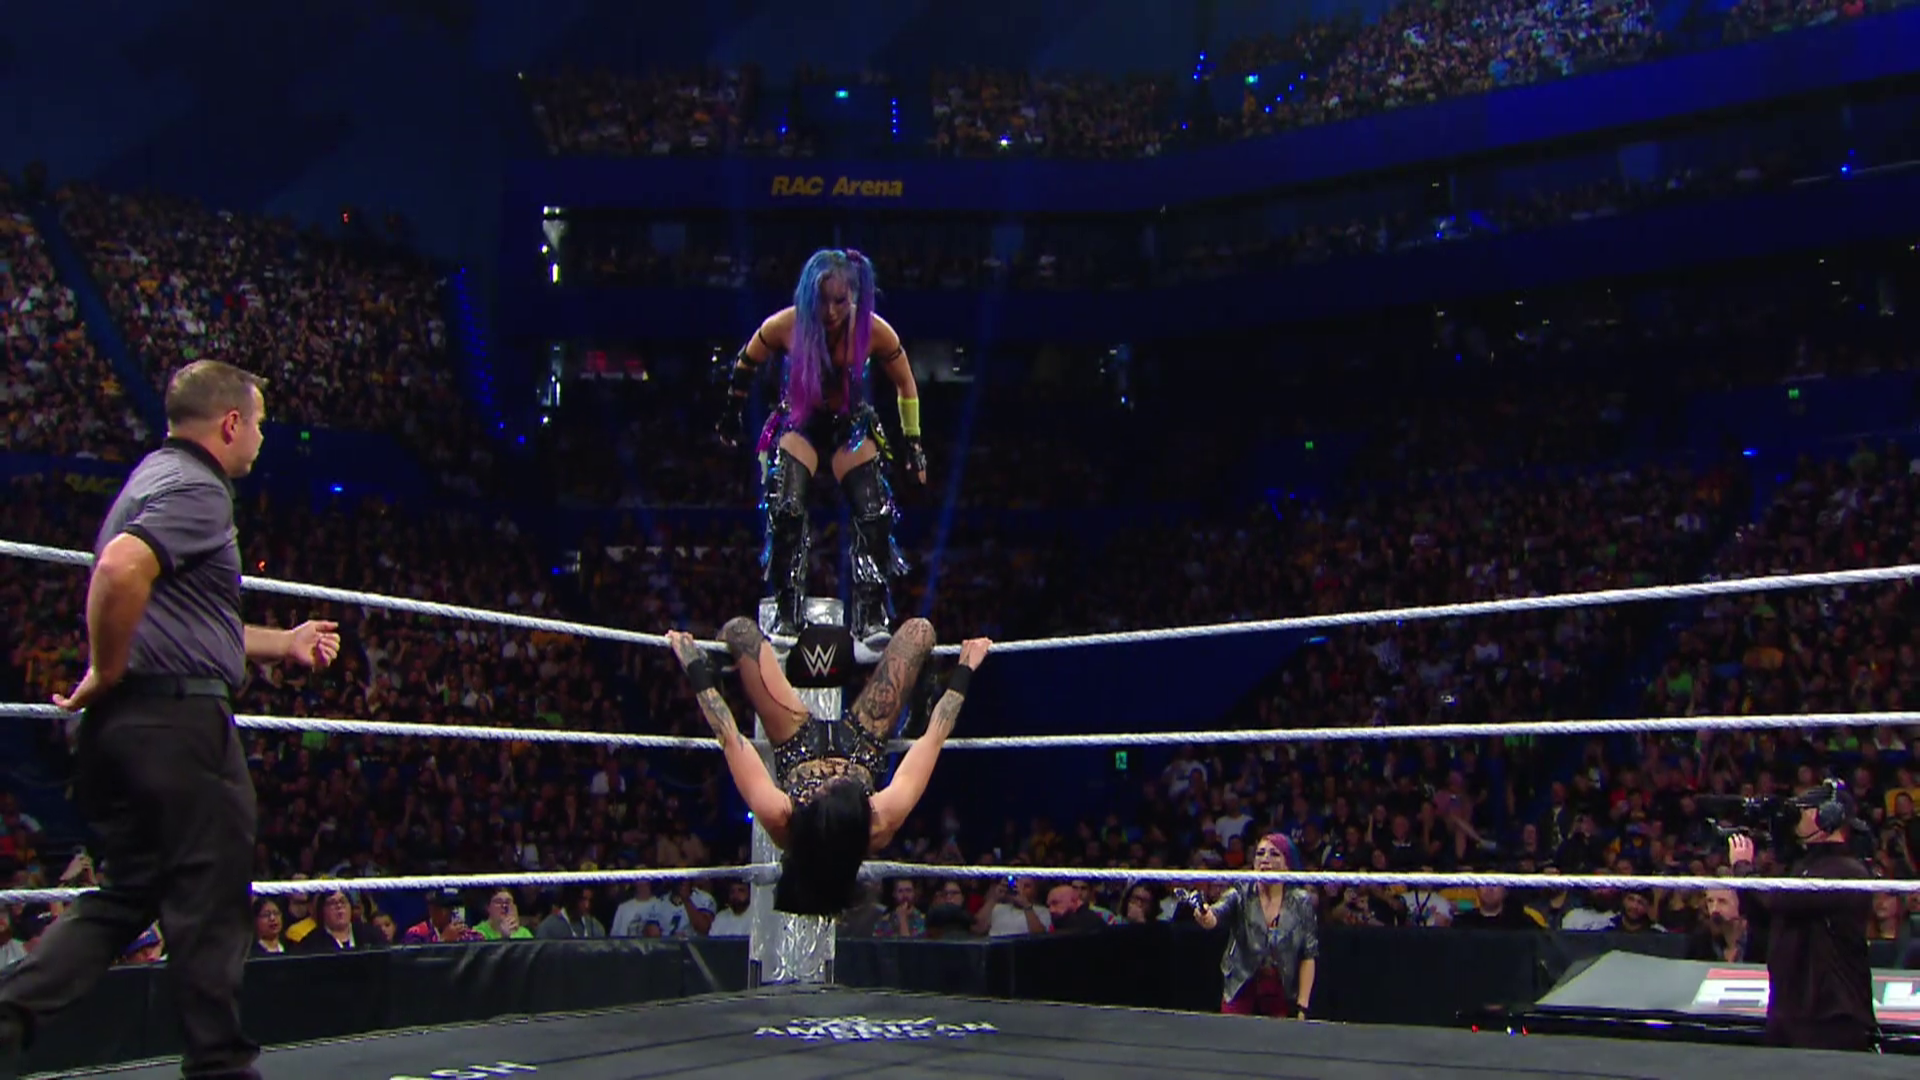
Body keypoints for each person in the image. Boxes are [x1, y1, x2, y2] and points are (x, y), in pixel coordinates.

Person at [0, 360, 341, 1079]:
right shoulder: (199, 488)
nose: (261, 439)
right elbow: (120, 571)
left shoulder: (149, 479)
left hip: (126, 732)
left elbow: (186, 621)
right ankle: (221, 1069)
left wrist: (282, 643)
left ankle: (8, 1017)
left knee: (124, 898)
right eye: (259, 424)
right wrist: (107, 668)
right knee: (211, 905)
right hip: (178, 728)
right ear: (230, 423)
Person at [665, 617, 987, 916]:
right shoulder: (878, 820)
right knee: (919, 631)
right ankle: (920, 702)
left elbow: (731, 738)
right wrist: (966, 668)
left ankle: (719, 664)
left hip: (796, 742)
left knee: (740, 632)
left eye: (825, 789)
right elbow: (934, 737)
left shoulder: (782, 816)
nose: (831, 777)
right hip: (863, 742)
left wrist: (695, 667)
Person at [715, 248, 927, 647]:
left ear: (854, 297)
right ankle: (788, 612)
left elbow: (905, 382)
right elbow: (747, 360)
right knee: (787, 509)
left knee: (875, 513)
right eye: (823, 301)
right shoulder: (788, 325)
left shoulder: (872, 330)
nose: (830, 312)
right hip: (802, 423)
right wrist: (731, 411)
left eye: (840, 301)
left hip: (850, 426)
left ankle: (870, 616)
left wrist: (913, 443)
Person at [1727, 778, 1875, 1051]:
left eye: (1805, 810)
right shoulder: (1803, 867)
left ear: (1827, 817)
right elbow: (1764, 911)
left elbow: (1779, 900)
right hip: (1789, 1010)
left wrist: (1744, 869)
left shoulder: (1846, 871)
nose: (1796, 816)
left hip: (1830, 1015)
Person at [1190, 833, 1318, 1019]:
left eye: (1274, 854)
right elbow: (1215, 914)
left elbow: (1308, 954)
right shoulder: (1241, 892)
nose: (1265, 859)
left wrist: (1302, 1007)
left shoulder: (1300, 902)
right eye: (1260, 853)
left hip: (1280, 987)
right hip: (1241, 984)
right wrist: (1205, 914)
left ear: (1287, 864)